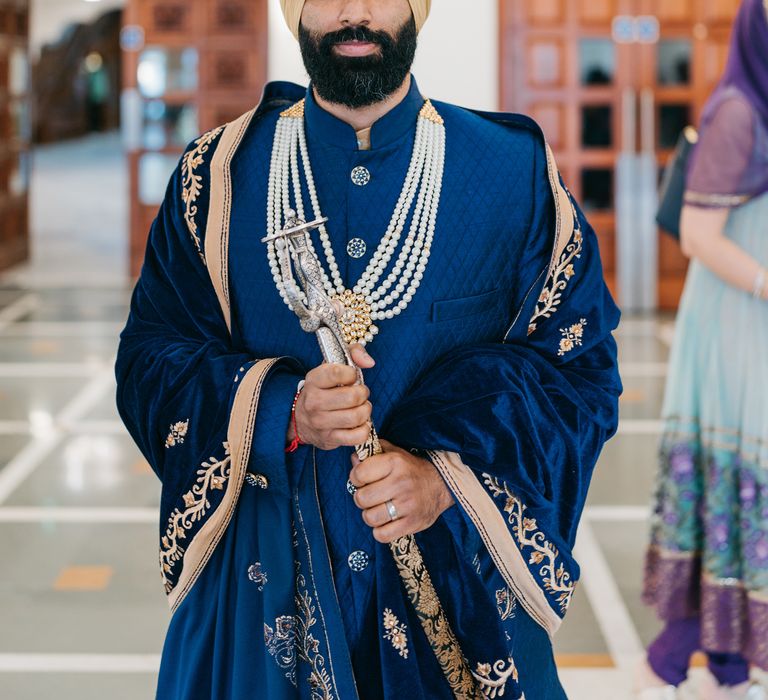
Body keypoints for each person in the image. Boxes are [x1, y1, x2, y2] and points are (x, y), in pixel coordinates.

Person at [115, 1, 621, 698]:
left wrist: (444, 480)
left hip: (452, 605)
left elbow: (581, 374)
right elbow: (148, 360)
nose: (355, 14)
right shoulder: (219, 179)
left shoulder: (513, 174)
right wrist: (281, 412)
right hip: (263, 606)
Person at [637, 1, 768, 698]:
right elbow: (696, 233)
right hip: (734, 325)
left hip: (751, 323)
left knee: (739, 492)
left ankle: (726, 665)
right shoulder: (740, 113)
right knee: (739, 482)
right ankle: (671, 661)